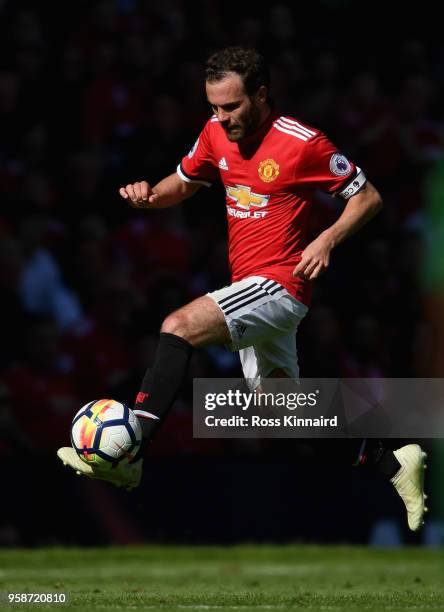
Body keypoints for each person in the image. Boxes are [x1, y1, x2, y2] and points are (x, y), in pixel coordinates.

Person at [58, 46, 427, 531]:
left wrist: (326, 239)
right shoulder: (214, 134)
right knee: (280, 411)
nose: (221, 117)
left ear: (261, 94)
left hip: (281, 283)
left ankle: (134, 448)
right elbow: (185, 182)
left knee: (179, 326)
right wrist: (151, 197)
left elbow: (368, 197)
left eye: (231, 107)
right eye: (214, 106)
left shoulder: (302, 143)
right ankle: (393, 461)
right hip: (249, 284)